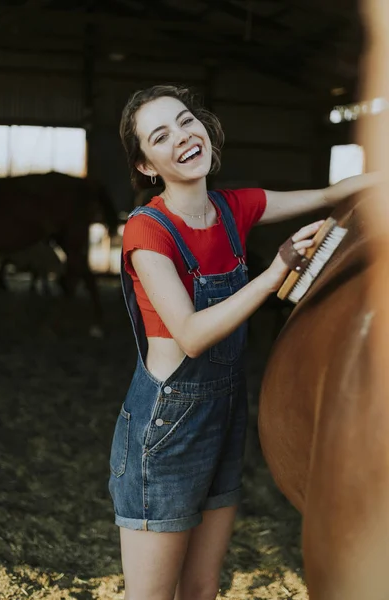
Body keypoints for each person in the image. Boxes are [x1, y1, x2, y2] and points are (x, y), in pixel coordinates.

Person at [108, 84, 377, 600]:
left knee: (203, 589)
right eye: (160, 136)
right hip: (167, 429)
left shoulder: (234, 207)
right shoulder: (148, 232)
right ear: (145, 165)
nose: (183, 137)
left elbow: (328, 195)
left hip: (225, 415)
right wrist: (275, 271)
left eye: (187, 121)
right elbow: (190, 335)